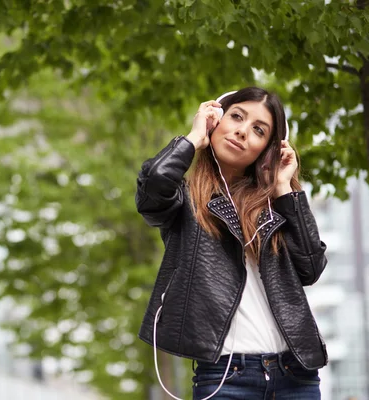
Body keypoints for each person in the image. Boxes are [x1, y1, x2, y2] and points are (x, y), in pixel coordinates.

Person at [135, 87, 328, 400]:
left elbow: (310, 267)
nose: (242, 131)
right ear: (216, 119)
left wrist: (283, 188)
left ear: (268, 147)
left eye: (258, 130)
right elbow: (153, 188)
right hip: (227, 379)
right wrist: (194, 137)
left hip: (297, 376)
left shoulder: (275, 205)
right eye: (236, 116)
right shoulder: (184, 198)